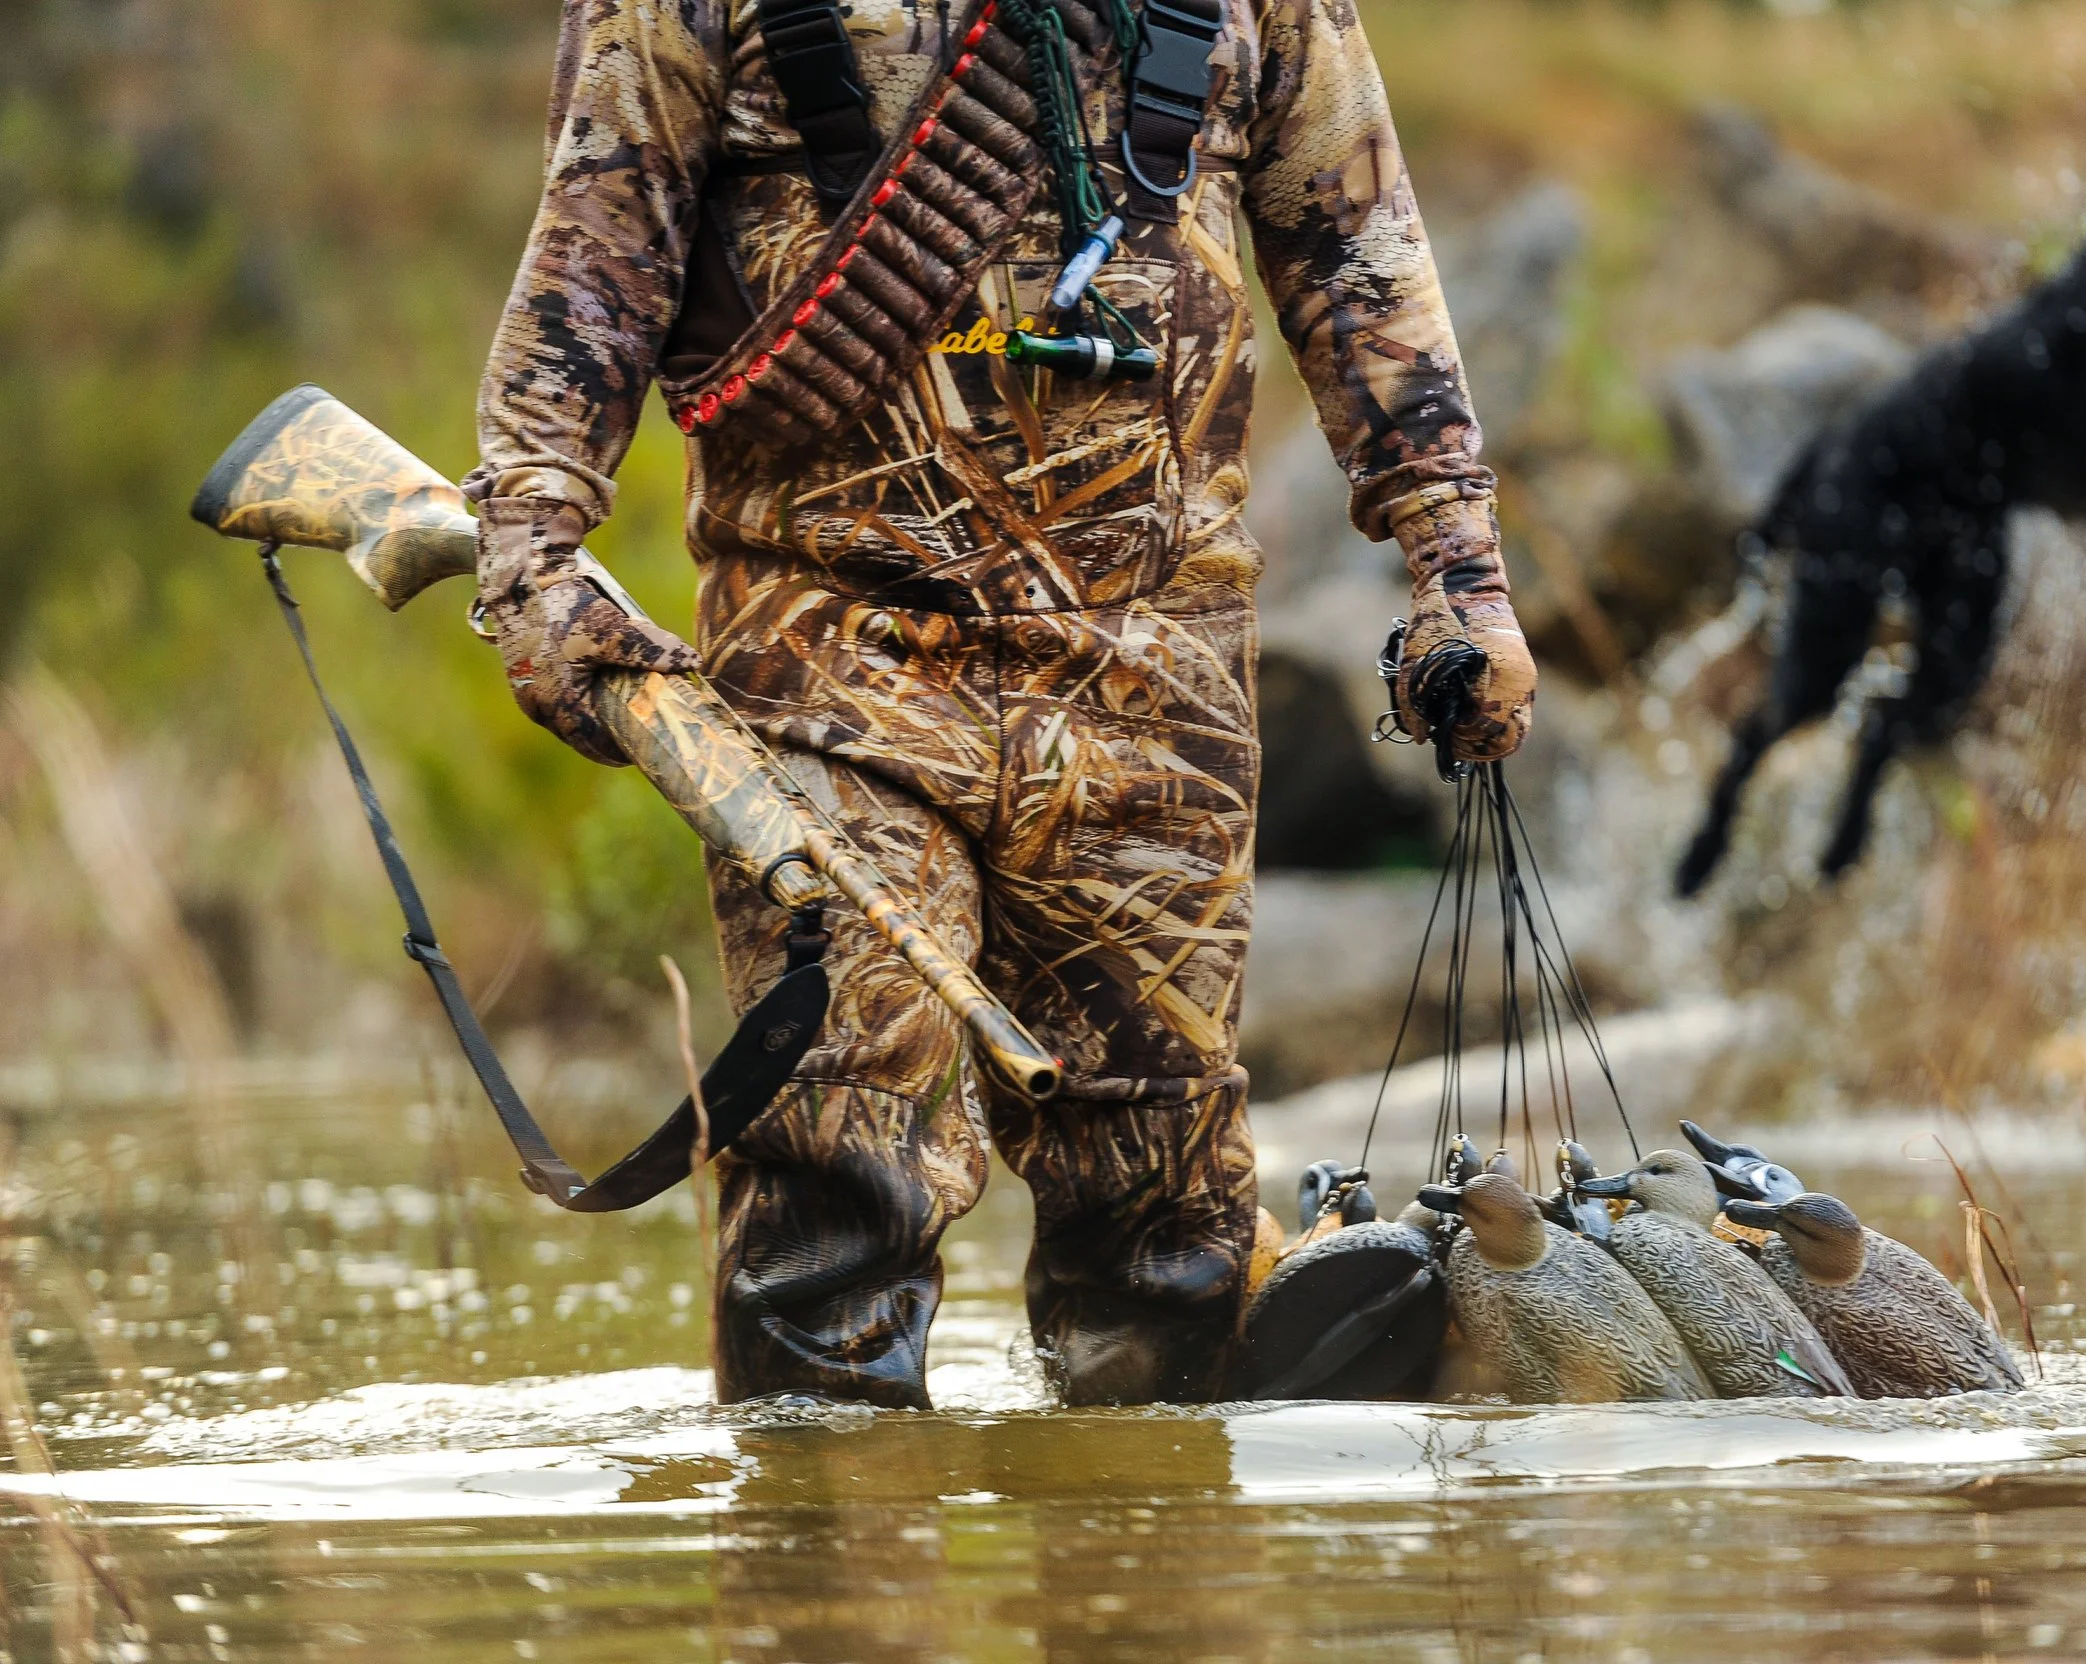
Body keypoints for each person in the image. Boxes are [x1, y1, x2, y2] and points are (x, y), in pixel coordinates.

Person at [468, 0, 1536, 1408]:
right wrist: (531, 559)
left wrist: (1460, 573)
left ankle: (1138, 1573)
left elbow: (1358, 253)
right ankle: (832, 1590)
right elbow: (592, 268)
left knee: (1165, 1236)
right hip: (830, 664)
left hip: (1160, 680)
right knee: (835, 1192)